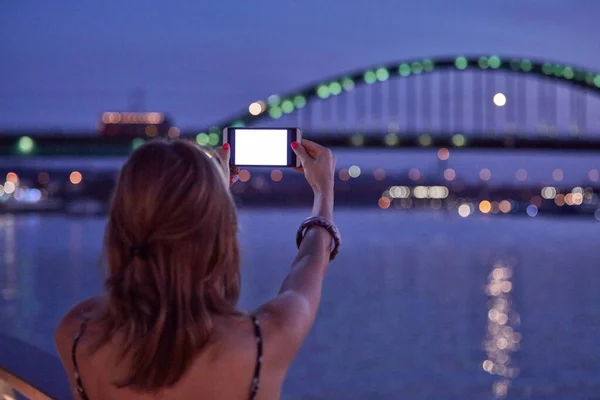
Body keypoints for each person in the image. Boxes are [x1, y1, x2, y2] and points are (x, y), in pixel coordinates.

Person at [54, 138, 340, 399]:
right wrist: (323, 192)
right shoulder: (262, 343)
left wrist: (201, 207)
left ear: (119, 225)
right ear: (220, 231)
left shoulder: (77, 332)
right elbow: (309, 265)